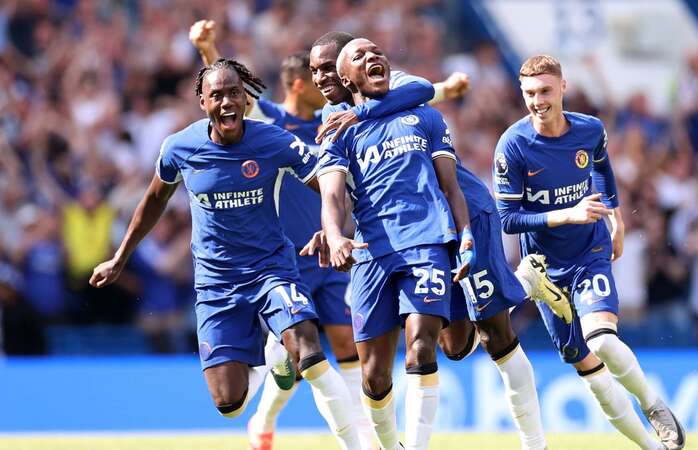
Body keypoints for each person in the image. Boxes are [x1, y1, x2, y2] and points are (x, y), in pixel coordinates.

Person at [305, 31, 572, 450]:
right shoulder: (335, 118)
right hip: (406, 237)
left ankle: (534, 442)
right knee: (456, 346)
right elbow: (348, 185)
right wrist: (334, 230)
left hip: (464, 212)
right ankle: (519, 282)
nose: (320, 78)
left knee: (494, 335)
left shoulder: (398, 91)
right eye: (315, 70)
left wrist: (372, 111)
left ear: (346, 69)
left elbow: (422, 89)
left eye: (326, 67)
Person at [89, 58, 361, 450]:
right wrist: (120, 257)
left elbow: (329, 182)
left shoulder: (273, 141)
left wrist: (333, 231)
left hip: (273, 270)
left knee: (311, 354)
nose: (227, 101)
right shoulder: (179, 147)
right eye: (217, 94)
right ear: (203, 102)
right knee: (229, 404)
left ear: (247, 99)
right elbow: (152, 202)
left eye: (235, 92)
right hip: (217, 284)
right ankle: (272, 359)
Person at [188, 20, 372, 450]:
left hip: (330, 249)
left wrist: (440, 89)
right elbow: (227, 96)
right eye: (316, 78)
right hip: (286, 259)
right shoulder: (271, 121)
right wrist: (208, 46)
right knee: (294, 359)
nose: (327, 85)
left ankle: (365, 435)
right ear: (295, 83)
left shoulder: (331, 121)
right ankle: (264, 422)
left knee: (345, 343)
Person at [493, 54, 685, 450]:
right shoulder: (512, 145)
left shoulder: (589, 130)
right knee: (588, 367)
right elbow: (508, 218)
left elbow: (602, 168)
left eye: (545, 90)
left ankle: (653, 405)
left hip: (588, 252)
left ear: (563, 88)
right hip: (544, 272)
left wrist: (616, 217)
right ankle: (653, 447)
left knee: (601, 340)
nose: (537, 100)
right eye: (529, 93)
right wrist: (567, 214)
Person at [316, 37, 474, 450]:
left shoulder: (423, 116)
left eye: (375, 52)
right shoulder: (336, 130)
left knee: (421, 345)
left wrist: (465, 232)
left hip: (426, 242)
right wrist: (335, 236)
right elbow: (332, 195)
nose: (372, 58)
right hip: (372, 254)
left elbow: (450, 186)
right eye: (359, 57)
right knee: (373, 374)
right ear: (345, 76)